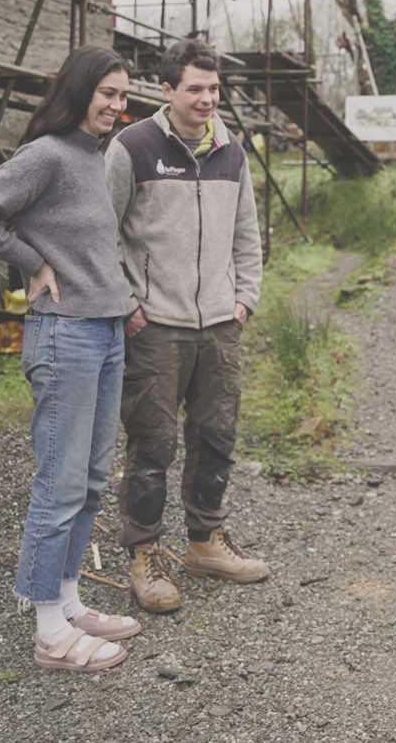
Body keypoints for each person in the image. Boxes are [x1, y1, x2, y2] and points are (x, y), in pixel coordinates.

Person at [0, 46, 140, 672]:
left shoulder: (95, 157)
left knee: (93, 480)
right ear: (78, 91)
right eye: (107, 92)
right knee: (60, 482)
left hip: (106, 331)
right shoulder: (47, 154)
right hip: (65, 336)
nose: (117, 104)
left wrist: (124, 300)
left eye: (122, 94)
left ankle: (71, 600)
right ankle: (50, 632)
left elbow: (93, 244)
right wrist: (31, 261)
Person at [105, 38, 267, 613]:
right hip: (155, 326)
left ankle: (205, 542)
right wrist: (128, 302)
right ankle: (144, 555)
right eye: (194, 88)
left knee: (216, 437)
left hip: (221, 324)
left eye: (213, 89)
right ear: (167, 89)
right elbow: (104, 232)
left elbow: (248, 234)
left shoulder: (232, 152)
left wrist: (245, 297)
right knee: (153, 443)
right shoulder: (133, 147)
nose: (206, 99)